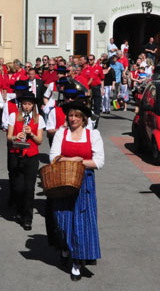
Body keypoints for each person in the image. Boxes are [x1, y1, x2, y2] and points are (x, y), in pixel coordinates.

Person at [47, 101, 105, 281]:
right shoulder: (61, 134)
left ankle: (76, 263)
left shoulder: (93, 134)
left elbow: (99, 161)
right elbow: (53, 158)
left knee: (81, 223)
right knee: (62, 220)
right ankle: (65, 247)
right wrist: (73, 159)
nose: (73, 119)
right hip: (63, 182)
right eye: (71, 115)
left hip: (84, 184)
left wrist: (78, 162)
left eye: (77, 116)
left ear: (83, 119)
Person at [7, 92, 44, 230]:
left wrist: (31, 134)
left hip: (31, 156)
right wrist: (16, 136)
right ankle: (19, 210)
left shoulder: (39, 118)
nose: (26, 107)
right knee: (17, 188)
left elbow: (39, 141)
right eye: (24, 104)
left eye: (29, 104)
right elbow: (9, 137)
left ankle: (27, 218)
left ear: (33, 105)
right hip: (16, 155)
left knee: (29, 189)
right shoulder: (13, 116)